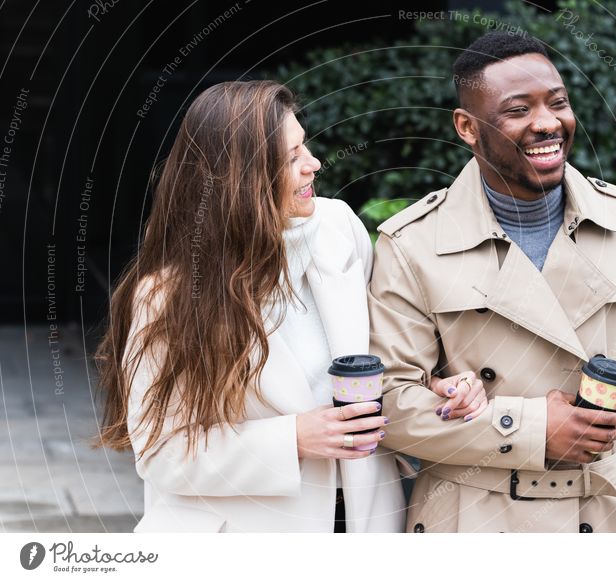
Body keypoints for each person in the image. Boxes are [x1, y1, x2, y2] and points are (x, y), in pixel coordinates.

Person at [94, 80, 481, 533]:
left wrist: (432, 384)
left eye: (306, 147)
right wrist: (292, 439)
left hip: (364, 519)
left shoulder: (340, 228)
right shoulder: (168, 296)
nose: (314, 165)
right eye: (291, 158)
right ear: (239, 180)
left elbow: (383, 352)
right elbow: (161, 454)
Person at [368, 32, 616, 533]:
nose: (547, 123)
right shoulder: (412, 245)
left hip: (598, 517)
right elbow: (389, 406)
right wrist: (530, 429)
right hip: (469, 524)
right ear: (467, 127)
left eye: (558, 103)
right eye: (517, 110)